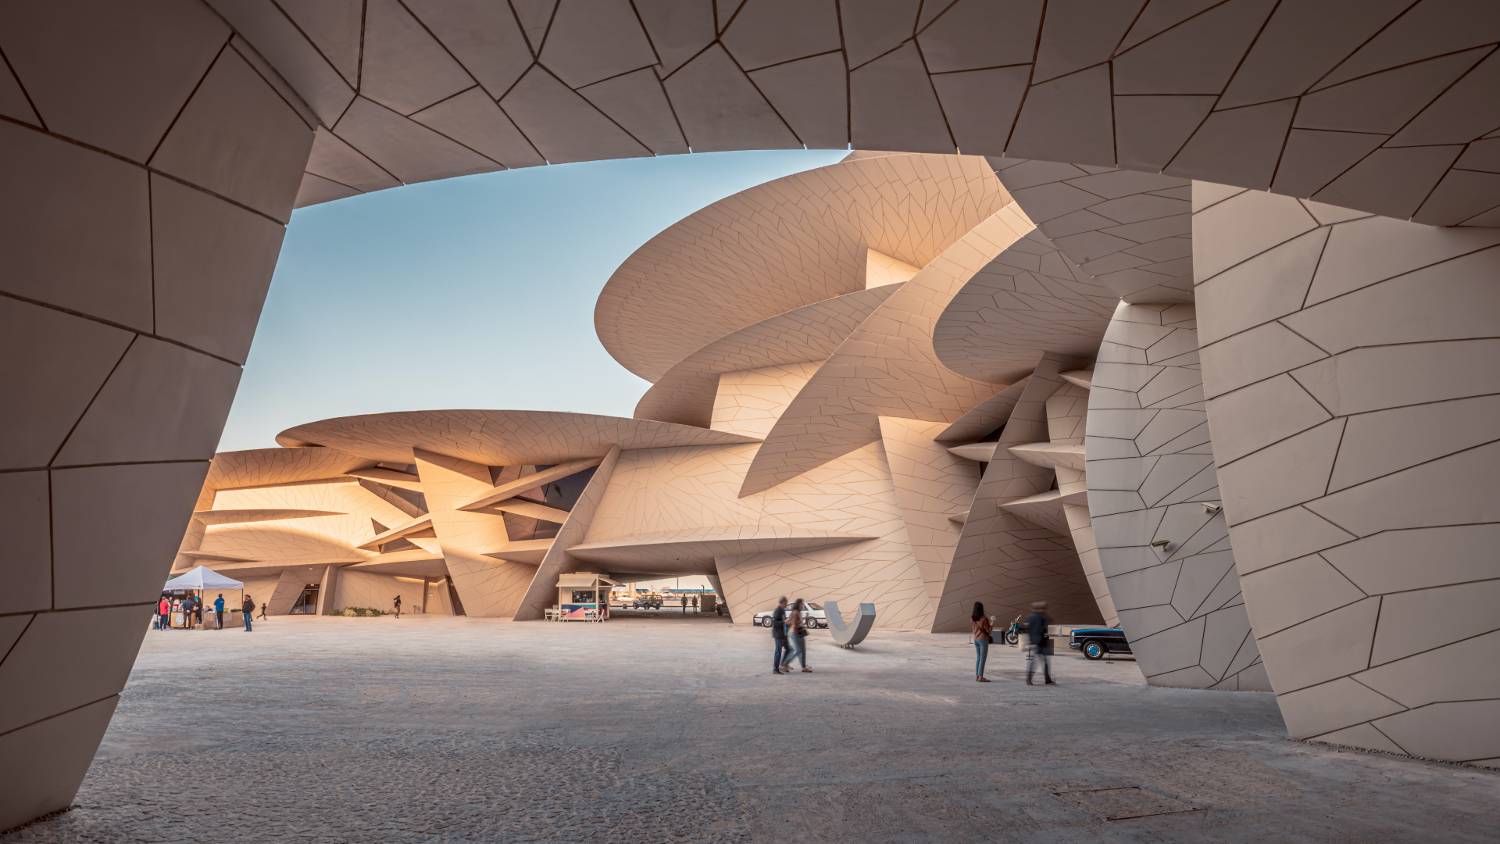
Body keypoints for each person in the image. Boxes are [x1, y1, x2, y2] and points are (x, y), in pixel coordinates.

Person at [1025, 600, 1054, 686]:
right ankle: (1046, 679)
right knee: (1041, 661)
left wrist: (1030, 640)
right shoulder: (1041, 617)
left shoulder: (1030, 616)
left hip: (1033, 641)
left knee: (1034, 661)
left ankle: (1030, 679)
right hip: (1040, 642)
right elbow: (1043, 627)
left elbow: (1028, 629)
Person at [783, 598, 812, 673]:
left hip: (797, 633)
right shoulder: (796, 612)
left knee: (802, 650)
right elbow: (794, 624)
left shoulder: (796, 612)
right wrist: (800, 630)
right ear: (799, 604)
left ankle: (803, 666)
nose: (803, 605)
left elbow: (789, 621)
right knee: (799, 650)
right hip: (796, 633)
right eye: (802, 604)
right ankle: (785, 664)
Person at [770, 596, 792, 675]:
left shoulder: (782, 610)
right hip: (778, 635)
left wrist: (788, 624)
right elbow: (774, 623)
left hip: (783, 634)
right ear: (782, 603)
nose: (786, 605)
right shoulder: (777, 611)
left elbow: (783, 621)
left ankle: (783, 664)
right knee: (778, 651)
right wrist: (784, 622)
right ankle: (775, 669)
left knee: (788, 649)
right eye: (786, 603)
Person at [972, 601, 993, 682]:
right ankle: (981, 677)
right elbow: (988, 631)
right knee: (982, 658)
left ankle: (977, 676)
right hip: (983, 640)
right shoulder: (984, 618)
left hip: (976, 639)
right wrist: (992, 624)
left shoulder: (972, 618)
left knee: (978, 658)